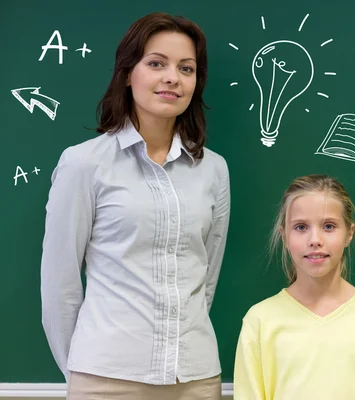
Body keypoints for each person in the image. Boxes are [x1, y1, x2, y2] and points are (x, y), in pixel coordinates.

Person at [40, 12, 230, 400]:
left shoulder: (213, 169)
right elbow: (59, 284)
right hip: (105, 378)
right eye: (156, 63)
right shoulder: (85, 163)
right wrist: (82, 370)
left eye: (186, 68)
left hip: (194, 379)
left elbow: (205, 275)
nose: (172, 78)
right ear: (128, 73)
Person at [233, 174, 355, 399]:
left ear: (349, 233)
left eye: (328, 226)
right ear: (284, 236)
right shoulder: (259, 322)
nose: (315, 240)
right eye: (301, 227)